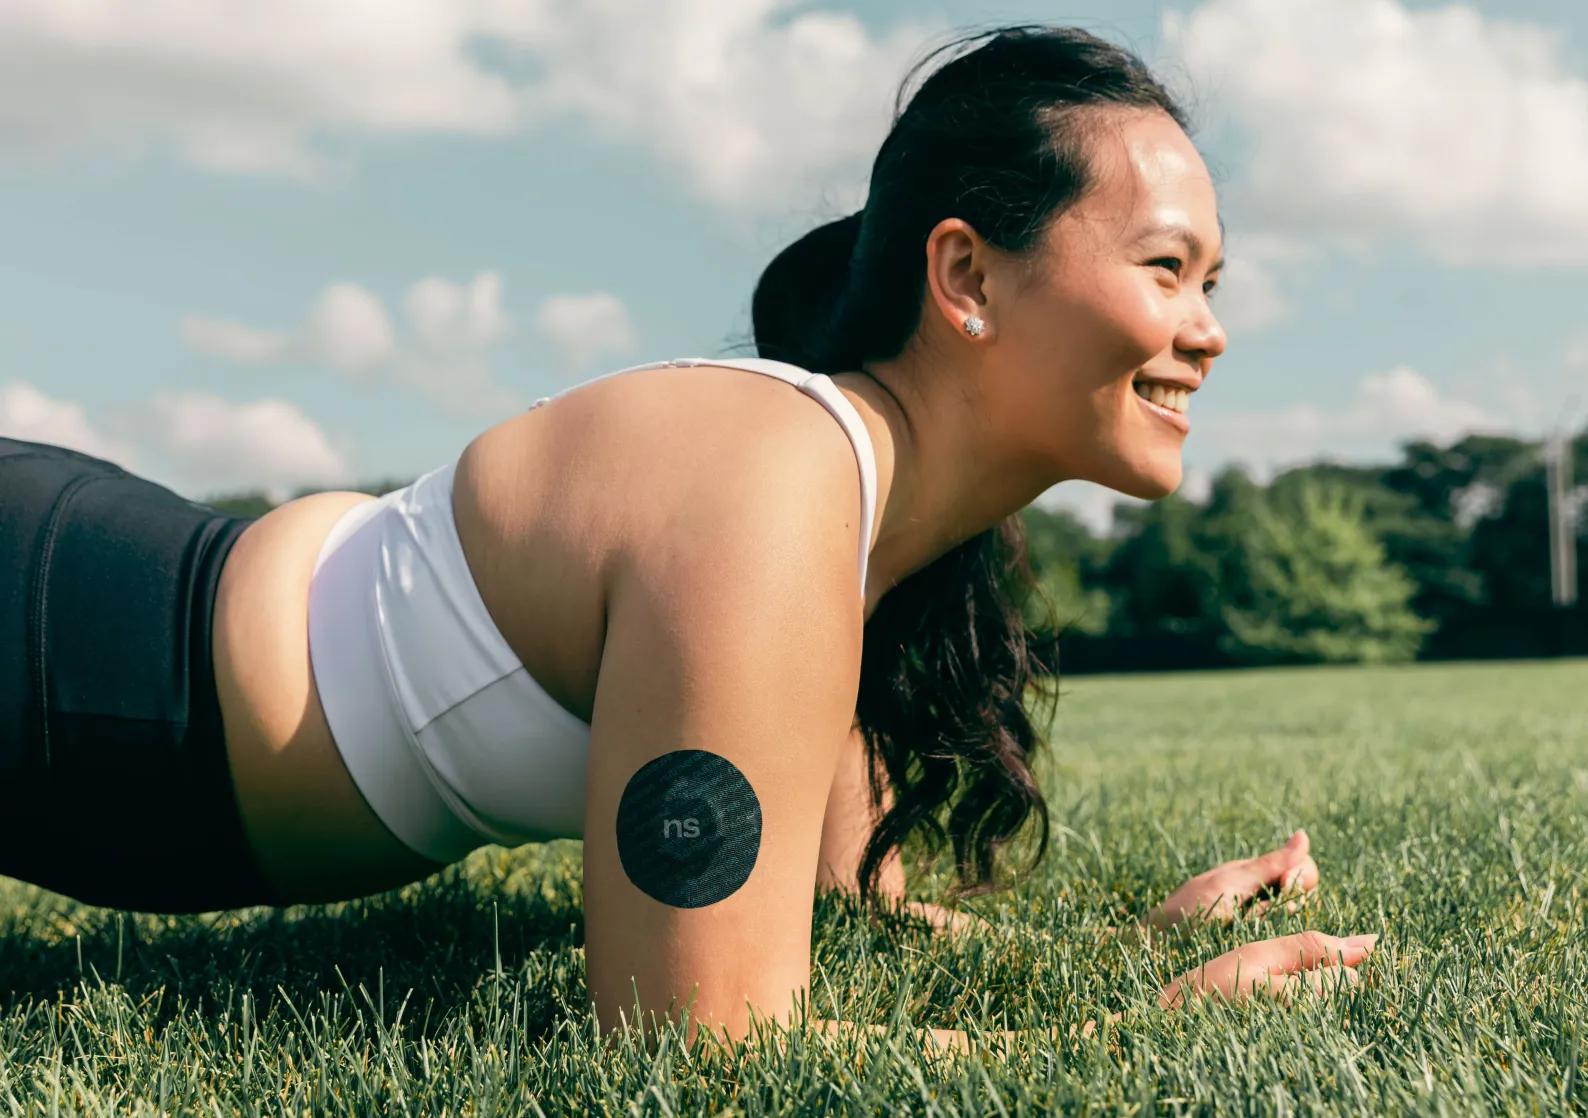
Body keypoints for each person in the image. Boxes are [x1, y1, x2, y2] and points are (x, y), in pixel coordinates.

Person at [0, 25, 1378, 1049]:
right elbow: (697, 1040)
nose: (1207, 326)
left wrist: (1114, 949)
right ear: (964, 274)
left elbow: (826, 896)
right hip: (73, 672)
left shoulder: (853, 515)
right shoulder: (771, 495)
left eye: (1211, 279)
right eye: (1164, 268)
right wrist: (1138, 1032)